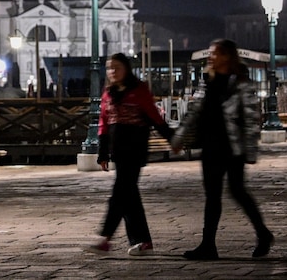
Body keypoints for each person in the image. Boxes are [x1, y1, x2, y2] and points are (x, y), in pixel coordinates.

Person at [172, 38, 273, 260]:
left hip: (232, 147)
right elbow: (194, 111)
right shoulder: (207, 80)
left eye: (215, 53)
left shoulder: (241, 83)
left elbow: (250, 117)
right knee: (212, 196)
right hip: (210, 145)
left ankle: (263, 234)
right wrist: (179, 137)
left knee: (237, 191)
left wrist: (251, 151)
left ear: (227, 56)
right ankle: (208, 245)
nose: (211, 56)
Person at [84, 53, 173, 256]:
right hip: (118, 149)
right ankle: (143, 241)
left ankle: (105, 237)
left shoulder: (139, 90)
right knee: (129, 195)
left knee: (121, 192)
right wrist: (102, 153)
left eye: (117, 67)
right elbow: (103, 125)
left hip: (135, 147)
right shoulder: (108, 93)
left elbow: (154, 116)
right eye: (109, 68)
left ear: (126, 69)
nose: (112, 71)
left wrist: (171, 139)